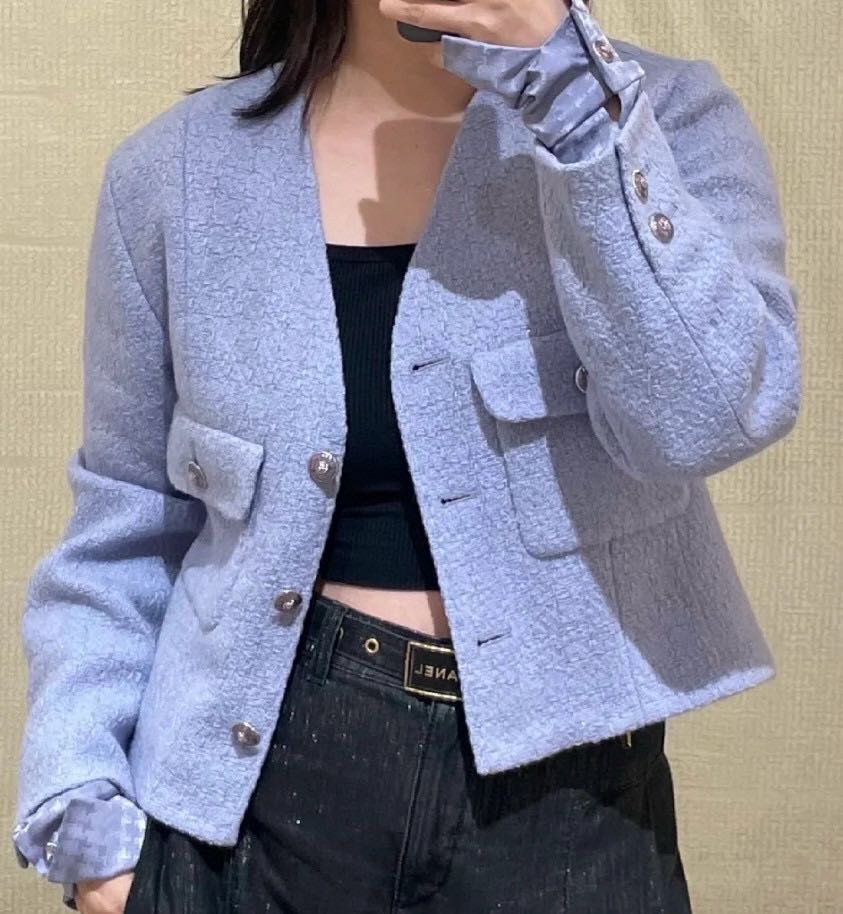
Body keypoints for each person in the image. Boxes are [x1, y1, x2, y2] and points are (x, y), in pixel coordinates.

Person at [10, 0, 801, 910]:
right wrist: (90, 834)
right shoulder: (174, 174)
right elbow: (122, 525)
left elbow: (709, 418)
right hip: (254, 791)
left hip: (571, 803)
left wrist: (573, 102)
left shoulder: (659, 116)